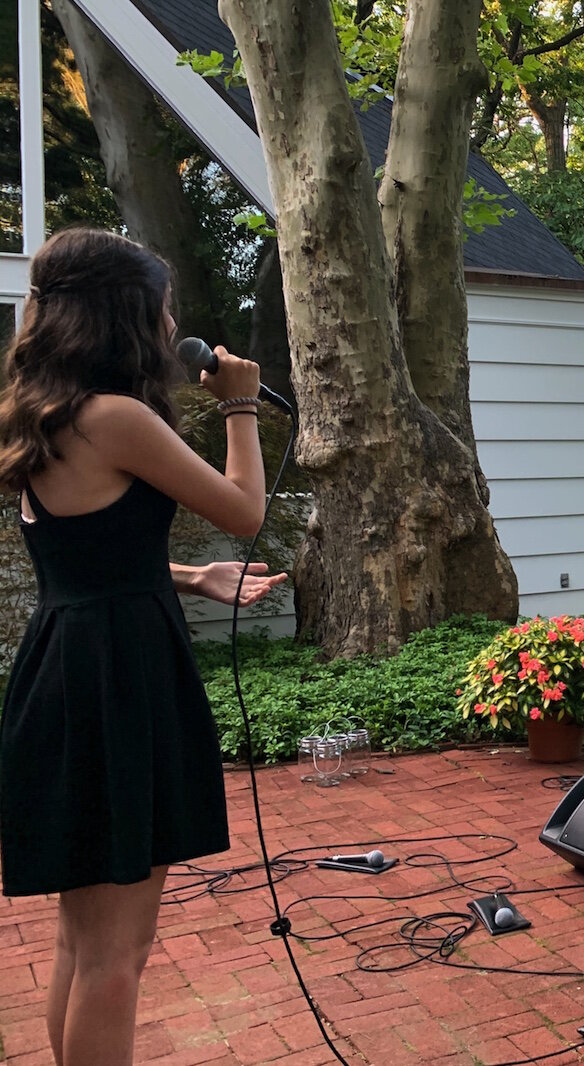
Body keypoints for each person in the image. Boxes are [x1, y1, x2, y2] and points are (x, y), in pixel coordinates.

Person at [0, 228, 287, 1066]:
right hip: (117, 681)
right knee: (116, 958)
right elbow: (243, 509)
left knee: (84, 946)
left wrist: (192, 577)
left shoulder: (38, 413)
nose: (170, 325)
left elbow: (83, 553)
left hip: (67, 663)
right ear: (125, 315)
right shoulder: (114, 417)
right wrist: (241, 403)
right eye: (160, 307)